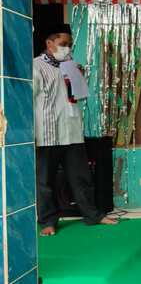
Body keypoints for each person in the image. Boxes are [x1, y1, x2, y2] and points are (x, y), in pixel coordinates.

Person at [34, 24, 118, 236]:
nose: (67, 48)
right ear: (49, 44)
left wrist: (78, 77)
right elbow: (29, 98)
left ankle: (93, 215)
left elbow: (78, 95)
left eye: (70, 45)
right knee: (45, 182)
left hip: (72, 132)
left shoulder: (71, 66)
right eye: (63, 44)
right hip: (47, 134)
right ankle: (48, 221)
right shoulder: (35, 67)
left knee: (81, 178)